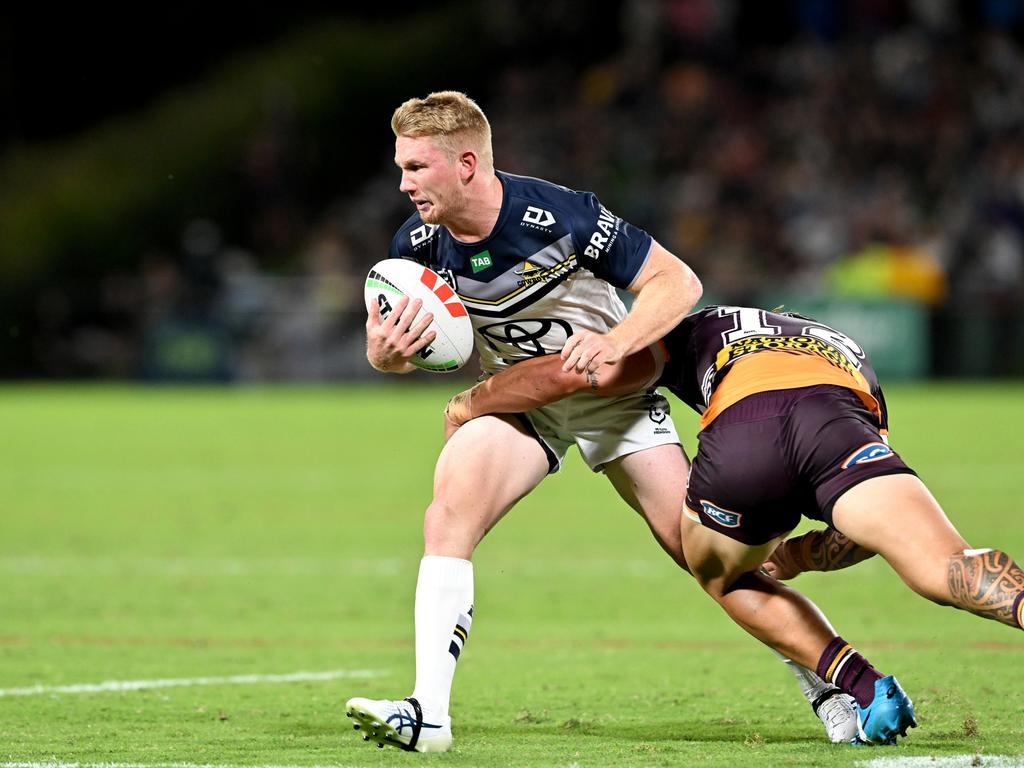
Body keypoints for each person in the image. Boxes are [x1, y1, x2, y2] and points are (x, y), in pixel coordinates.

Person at [346, 92, 856, 753]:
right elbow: (406, 347)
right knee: (448, 512)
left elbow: (677, 283)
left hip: (609, 393)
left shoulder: (558, 215)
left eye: (416, 168)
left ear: (466, 164)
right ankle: (429, 715)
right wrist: (385, 356)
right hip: (521, 399)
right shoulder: (414, 245)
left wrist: (619, 342)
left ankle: (830, 682)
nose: (404, 184)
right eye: (402, 167)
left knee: (704, 555)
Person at [444, 304, 1024, 744]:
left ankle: (861, 687)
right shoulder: (850, 352)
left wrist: (476, 399)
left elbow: (579, 375)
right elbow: (858, 534)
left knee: (723, 575)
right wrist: (799, 556)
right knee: (943, 566)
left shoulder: (695, 329)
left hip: (745, 427)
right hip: (838, 418)